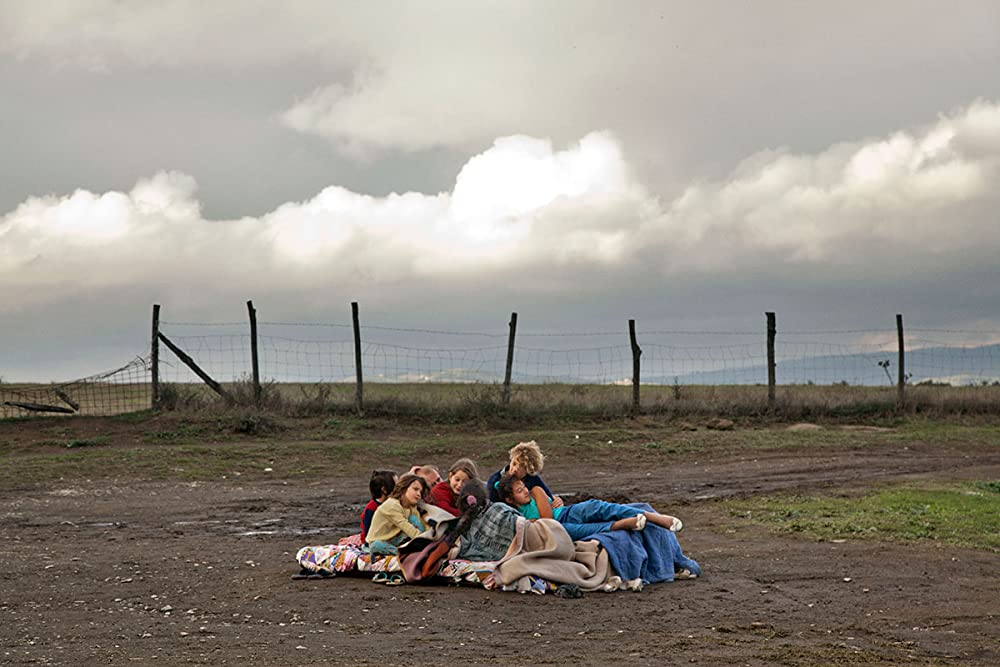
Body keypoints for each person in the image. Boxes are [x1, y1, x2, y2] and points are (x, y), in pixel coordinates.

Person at [497, 474, 683, 541]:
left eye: (523, 487)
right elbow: (548, 526)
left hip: (565, 513)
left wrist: (534, 521)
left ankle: (654, 517)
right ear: (510, 500)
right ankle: (622, 524)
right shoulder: (512, 513)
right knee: (578, 531)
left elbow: (548, 520)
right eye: (519, 491)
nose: (525, 491)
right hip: (558, 529)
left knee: (596, 507)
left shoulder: (536, 491)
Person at [486, 441, 561, 507]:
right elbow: (493, 509)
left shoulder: (532, 479)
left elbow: (550, 498)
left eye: (520, 468)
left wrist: (557, 502)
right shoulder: (494, 481)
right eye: (514, 463)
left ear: (529, 470)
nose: (514, 470)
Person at [366, 473, 430, 549]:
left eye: (421, 492)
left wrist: (429, 535)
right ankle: (401, 553)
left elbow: (421, 523)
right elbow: (404, 525)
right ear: (404, 488)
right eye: (415, 489)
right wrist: (421, 540)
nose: (418, 494)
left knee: (414, 519)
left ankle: (420, 543)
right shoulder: (392, 505)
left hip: (395, 539)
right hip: (380, 541)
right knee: (376, 545)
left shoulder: (410, 507)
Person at [360, 469, 397, 543]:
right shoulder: (372, 508)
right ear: (384, 489)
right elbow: (369, 534)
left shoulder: (392, 504)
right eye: (396, 485)